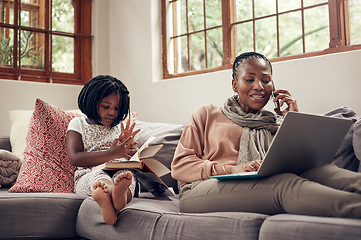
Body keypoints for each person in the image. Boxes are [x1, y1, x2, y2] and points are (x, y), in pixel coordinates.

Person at [171, 52, 361, 218]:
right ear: (234, 84)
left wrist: (293, 119)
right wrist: (232, 169)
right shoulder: (207, 114)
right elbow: (180, 166)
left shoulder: (273, 123)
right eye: (249, 79)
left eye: (266, 80)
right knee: (284, 184)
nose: (259, 86)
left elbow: (295, 164)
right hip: (201, 190)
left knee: (322, 171)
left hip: (256, 182)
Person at [67, 75, 140, 225]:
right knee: (98, 177)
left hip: (117, 170)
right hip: (88, 174)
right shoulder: (78, 123)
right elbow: (75, 157)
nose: (112, 112)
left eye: (117, 108)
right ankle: (109, 194)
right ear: (91, 102)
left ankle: (119, 196)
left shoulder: (120, 126)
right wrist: (111, 154)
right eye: (106, 106)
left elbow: (128, 157)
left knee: (127, 177)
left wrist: (130, 148)